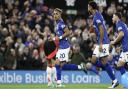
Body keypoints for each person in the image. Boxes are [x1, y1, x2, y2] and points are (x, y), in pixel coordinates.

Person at [52, 8, 86, 87]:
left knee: (57, 64)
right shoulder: (57, 24)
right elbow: (59, 36)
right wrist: (54, 38)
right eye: (54, 14)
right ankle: (80, 66)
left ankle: (58, 83)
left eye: (56, 14)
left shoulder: (61, 23)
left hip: (64, 47)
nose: (55, 15)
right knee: (62, 66)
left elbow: (68, 32)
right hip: (62, 47)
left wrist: (59, 38)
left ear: (60, 15)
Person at [88, 1, 119, 88]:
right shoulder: (95, 15)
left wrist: (101, 43)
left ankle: (114, 80)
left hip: (103, 42)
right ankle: (108, 69)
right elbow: (99, 30)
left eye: (88, 6)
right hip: (100, 42)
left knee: (104, 62)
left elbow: (101, 29)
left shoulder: (97, 16)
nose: (87, 8)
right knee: (93, 60)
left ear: (91, 7)